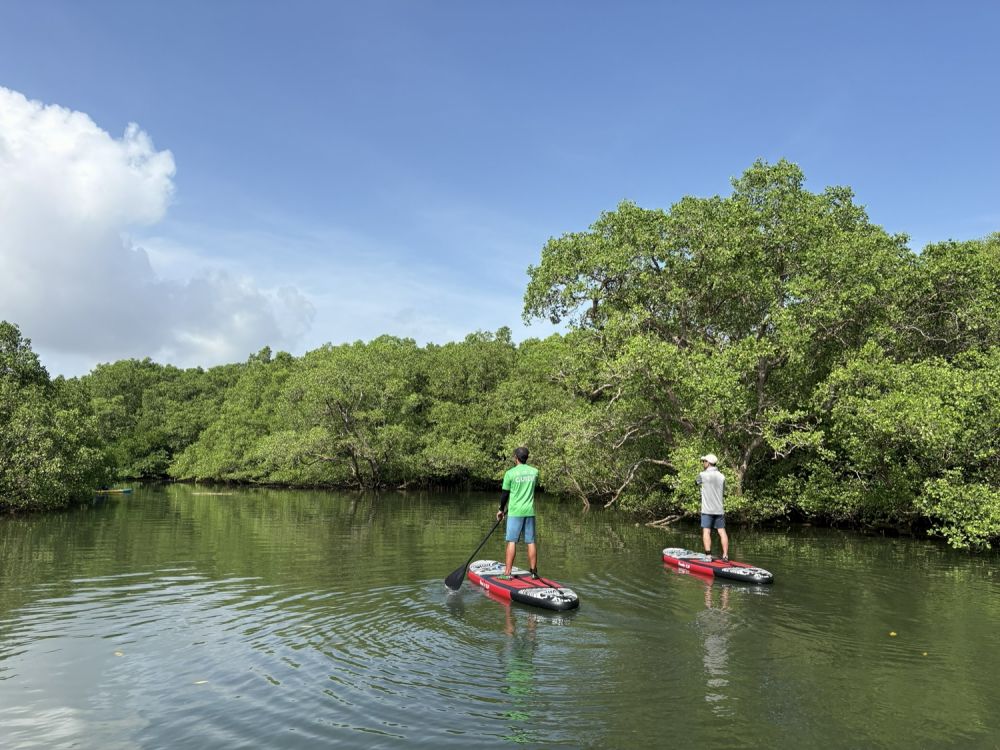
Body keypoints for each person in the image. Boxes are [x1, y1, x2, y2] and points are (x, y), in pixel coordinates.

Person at [495, 447, 540, 580]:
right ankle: (534, 572)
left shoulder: (510, 473)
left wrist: (501, 510)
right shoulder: (535, 472)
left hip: (515, 512)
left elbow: (505, 495)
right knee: (531, 542)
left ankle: (507, 573)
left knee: (512, 541)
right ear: (527, 458)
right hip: (529, 512)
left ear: (516, 458)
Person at [696, 453, 728, 561]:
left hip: (707, 510)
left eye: (704, 461)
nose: (703, 463)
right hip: (719, 510)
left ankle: (708, 556)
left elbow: (696, 482)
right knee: (722, 531)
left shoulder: (702, 475)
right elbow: (723, 491)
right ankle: (725, 556)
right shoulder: (722, 476)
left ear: (708, 463)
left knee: (706, 531)